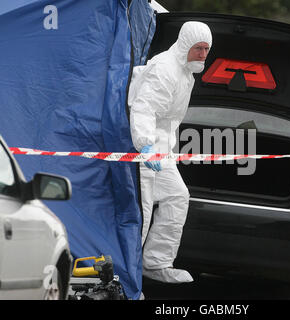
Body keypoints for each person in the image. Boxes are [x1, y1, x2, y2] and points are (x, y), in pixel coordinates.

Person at [128, 21, 212, 283]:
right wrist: (145, 145)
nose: (203, 54)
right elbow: (144, 108)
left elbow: (169, 119)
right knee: (140, 213)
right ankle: (126, 279)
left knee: (177, 196)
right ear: (186, 44)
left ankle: (155, 263)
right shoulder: (165, 68)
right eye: (198, 48)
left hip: (160, 149)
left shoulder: (185, 73)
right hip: (143, 149)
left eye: (207, 49)